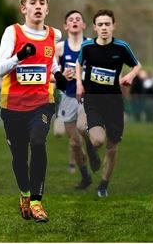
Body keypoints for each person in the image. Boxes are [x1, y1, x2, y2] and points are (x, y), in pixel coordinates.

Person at [0, 0, 70, 223]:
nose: (38, 6)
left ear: (47, 9)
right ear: (23, 8)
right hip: (12, 105)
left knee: (38, 142)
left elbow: (50, 62)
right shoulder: (12, 32)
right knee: (19, 155)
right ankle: (25, 194)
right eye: (33, 2)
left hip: (42, 102)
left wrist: (58, 76)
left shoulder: (54, 34)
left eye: (42, 2)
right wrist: (20, 55)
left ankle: (37, 201)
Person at [76, 9, 141, 198]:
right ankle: (90, 144)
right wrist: (80, 84)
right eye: (100, 24)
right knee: (97, 140)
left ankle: (104, 184)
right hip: (93, 100)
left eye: (107, 24)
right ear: (95, 27)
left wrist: (130, 75)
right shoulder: (87, 47)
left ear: (114, 26)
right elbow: (79, 64)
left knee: (112, 147)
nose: (104, 28)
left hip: (114, 102)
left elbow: (137, 65)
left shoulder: (122, 47)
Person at [55, 10, 100, 189]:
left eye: (78, 19)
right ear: (66, 26)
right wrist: (61, 74)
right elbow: (53, 71)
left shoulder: (91, 45)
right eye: (71, 20)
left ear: (83, 25)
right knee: (73, 143)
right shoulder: (59, 47)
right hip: (68, 96)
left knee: (83, 127)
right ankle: (85, 177)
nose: (74, 21)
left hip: (87, 96)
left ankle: (91, 150)